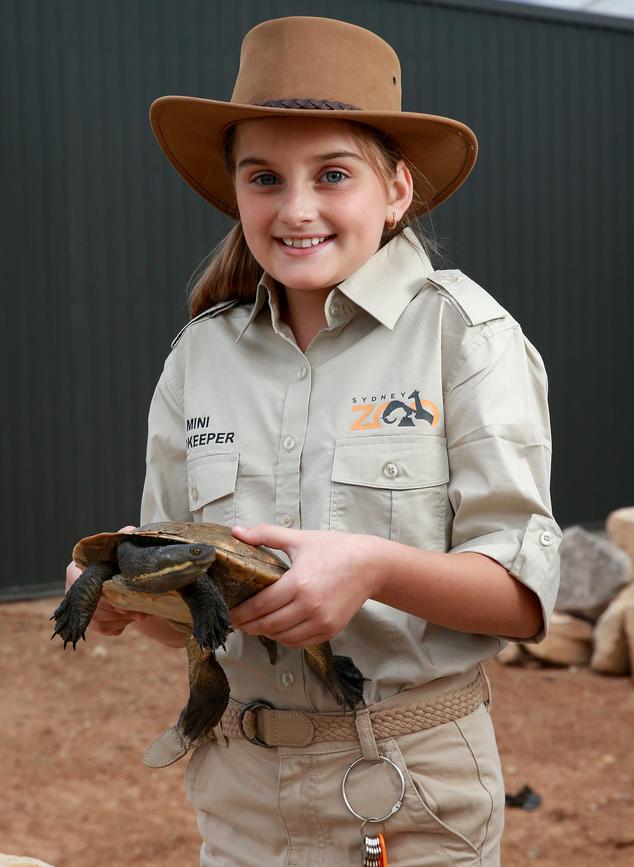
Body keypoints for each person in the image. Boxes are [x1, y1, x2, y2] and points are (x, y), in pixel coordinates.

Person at [65, 16, 561, 866]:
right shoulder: (200, 356)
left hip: (409, 787)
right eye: (264, 177)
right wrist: (116, 595)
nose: (296, 209)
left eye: (333, 174)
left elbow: (522, 597)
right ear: (236, 192)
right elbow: (193, 611)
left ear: (397, 189)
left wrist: (372, 567)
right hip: (242, 792)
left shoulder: (466, 338)